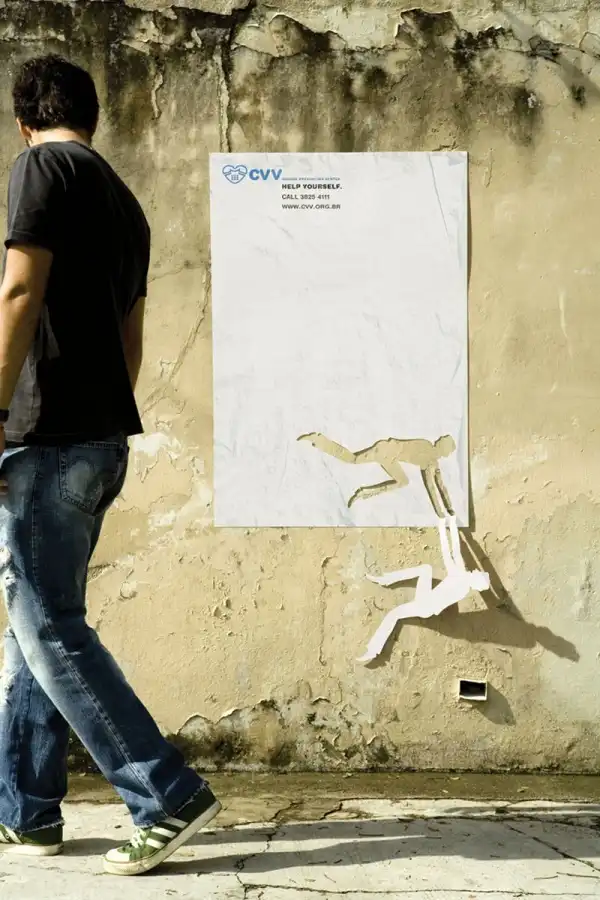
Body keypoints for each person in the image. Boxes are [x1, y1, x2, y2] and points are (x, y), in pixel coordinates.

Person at [0, 55, 220, 876]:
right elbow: (132, 338)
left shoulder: (39, 168)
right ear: (92, 115)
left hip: (46, 437)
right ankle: (26, 811)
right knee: (38, 627)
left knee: (50, 626)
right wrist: (101, 426)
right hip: (98, 441)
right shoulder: (126, 205)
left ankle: (165, 794)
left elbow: (19, 293)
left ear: (24, 120)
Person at [357, 516, 490, 663]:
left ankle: (373, 650)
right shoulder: (462, 580)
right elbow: (455, 550)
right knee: (425, 570)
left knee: (394, 614)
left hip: (425, 607)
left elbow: (449, 553)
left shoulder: (460, 581)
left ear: (475, 580)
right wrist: (450, 524)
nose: (476, 570)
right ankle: (385, 579)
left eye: (477, 573)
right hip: (428, 599)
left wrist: (443, 526)